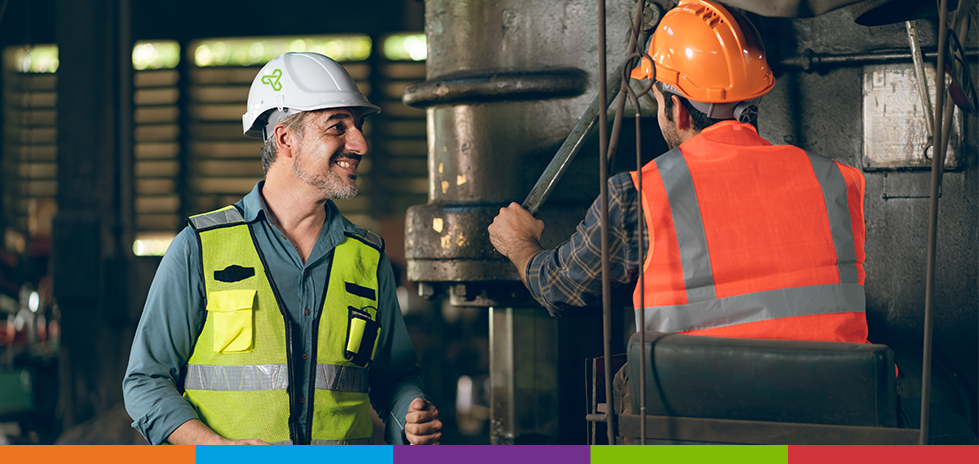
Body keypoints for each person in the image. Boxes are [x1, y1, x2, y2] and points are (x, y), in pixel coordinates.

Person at [489, 0, 978, 445]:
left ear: (673, 105)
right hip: (837, 423)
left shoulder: (640, 193)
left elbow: (558, 287)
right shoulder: (835, 181)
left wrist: (519, 244)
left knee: (623, 384)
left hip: (694, 428)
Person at [124, 52, 441, 445]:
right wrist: (217, 450)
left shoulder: (366, 257)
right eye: (337, 127)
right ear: (286, 138)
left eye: (357, 126)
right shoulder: (200, 248)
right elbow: (146, 381)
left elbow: (394, 378)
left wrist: (409, 415)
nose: (359, 143)